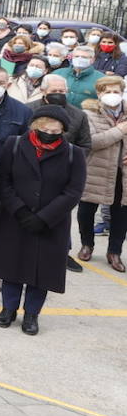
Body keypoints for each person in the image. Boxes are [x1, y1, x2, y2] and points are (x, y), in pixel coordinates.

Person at [0, 105, 86, 335]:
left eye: (55, 128)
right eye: (45, 126)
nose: (49, 131)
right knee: (11, 266)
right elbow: (3, 181)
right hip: (14, 219)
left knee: (41, 272)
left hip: (51, 223)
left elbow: (73, 191)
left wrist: (45, 217)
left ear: (63, 130)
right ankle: (8, 309)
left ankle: (32, 314)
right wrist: (19, 210)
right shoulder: (14, 144)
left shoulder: (73, 153)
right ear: (35, 126)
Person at [77, 75, 127, 271]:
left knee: (121, 214)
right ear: (99, 93)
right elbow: (92, 142)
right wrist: (120, 131)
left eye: (116, 91)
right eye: (108, 91)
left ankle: (114, 252)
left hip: (122, 174)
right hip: (96, 169)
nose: (112, 95)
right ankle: (87, 244)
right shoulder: (89, 114)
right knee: (86, 210)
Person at [53, 44, 104, 108]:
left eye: (84, 57)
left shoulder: (101, 79)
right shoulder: (58, 73)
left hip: (85, 115)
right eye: (76, 56)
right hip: (58, 112)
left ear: (92, 60)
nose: (79, 59)